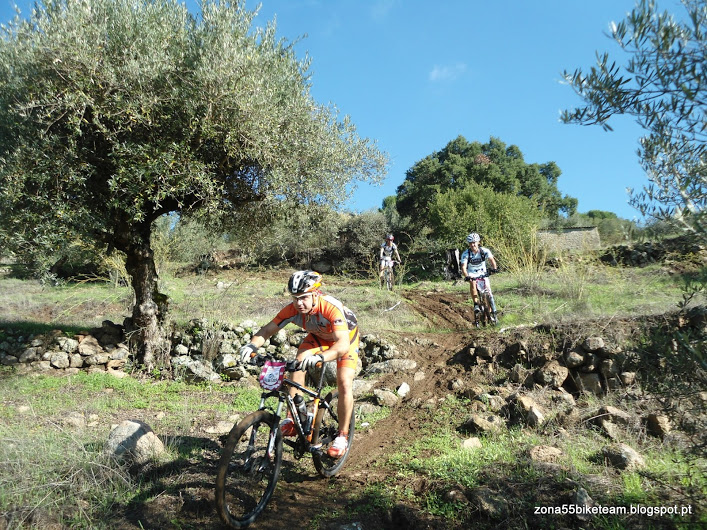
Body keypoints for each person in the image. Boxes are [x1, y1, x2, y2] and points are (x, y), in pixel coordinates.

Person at [238, 270, 359, 459]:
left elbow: (342, 345)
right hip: (319, 336)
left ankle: (342, 436)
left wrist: (321, 357)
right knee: (298, 363)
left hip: (345, 338)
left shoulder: (330, 309)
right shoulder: (292, 310)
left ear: (316, 294)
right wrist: (252, 345)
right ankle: (293, 418)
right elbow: (267, 330)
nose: (299, 303)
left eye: (304, 298)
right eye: (295, 298)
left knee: (344, 382)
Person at [460, 232, 499, 322]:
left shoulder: (484, 251)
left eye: (474, 242)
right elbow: (463, 267)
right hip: (472, 273)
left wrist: (494, 269)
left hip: (482, 272)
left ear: (478, 242)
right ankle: (476, 304)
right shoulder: (466, 254)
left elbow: (492, 260)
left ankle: (492, 313)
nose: (472, 245)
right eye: (470, 243)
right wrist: (467, 276)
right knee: (472, 282)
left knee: (489, 292)